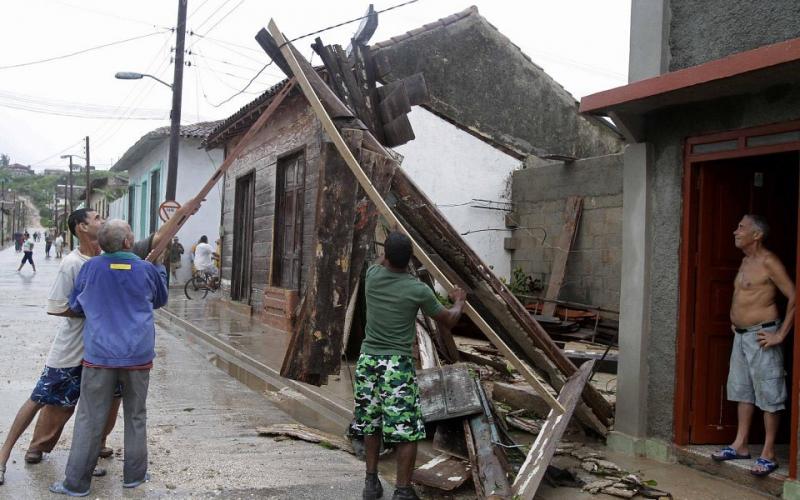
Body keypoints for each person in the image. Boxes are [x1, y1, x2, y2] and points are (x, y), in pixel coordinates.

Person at [0, 210, 120, 487]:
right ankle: (4, 455)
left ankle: (84, 462)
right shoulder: (72, 263)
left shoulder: (106, 260)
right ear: (81, 227)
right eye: (97, 218)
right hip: (70, 351)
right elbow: (56, 307)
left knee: (96, 409)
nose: (102, 220)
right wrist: (94, 312)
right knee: (39, 399)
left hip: (101, 352)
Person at [50, 220, 168, 496]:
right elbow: (160, 300)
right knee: (136, 415)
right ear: (128, 242)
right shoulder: (147, 269)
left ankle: (76, 484)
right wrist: (160, 267)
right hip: (138, 355)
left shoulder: (90, 268)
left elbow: (76, 304)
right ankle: (135, 476)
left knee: (90, 416)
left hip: (99, 355)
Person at [354, 232, 467, 500]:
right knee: (406, 430)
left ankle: (371, 483)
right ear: (410, 259)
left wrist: (389, 250)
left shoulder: (372, 276)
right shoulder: (418, 289)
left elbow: (382, 260)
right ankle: (402, 491)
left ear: (386, 256)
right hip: (395, 365)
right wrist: (459, 300)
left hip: (368, 361)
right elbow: (449, 320)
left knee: (371, 425)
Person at [711, 215, 795, 477]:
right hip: (742, 336)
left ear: (756, 235)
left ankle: (768, 453)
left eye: (741, 227)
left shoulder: (769, 261)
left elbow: (794, 296)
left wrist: (780, 334)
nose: (735, 231)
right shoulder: (746, 261)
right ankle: (741, 444)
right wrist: (735, 321)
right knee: (742, 390)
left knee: (770, 392)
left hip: (762, 336)